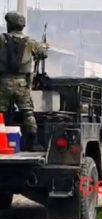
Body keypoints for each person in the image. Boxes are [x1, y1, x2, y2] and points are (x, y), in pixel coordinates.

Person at [0, 12, 48, 151]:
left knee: (1, 113)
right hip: (22, 83)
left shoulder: (1, 40)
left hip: (2, 83)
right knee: (27, 113)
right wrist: (44, 47)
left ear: (9, 25)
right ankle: (33, 143)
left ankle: (3, 141)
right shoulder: (30, 42)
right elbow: (43, 54)